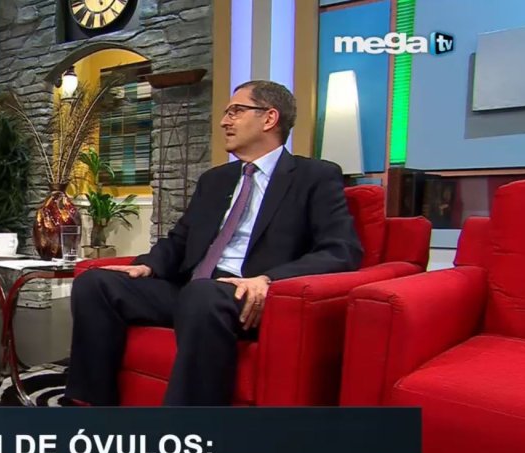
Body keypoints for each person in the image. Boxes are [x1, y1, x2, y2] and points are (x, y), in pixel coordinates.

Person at [66, 80, 363, 407]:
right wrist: (148, 265)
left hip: (245, 295)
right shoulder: (216, 179)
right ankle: (91, 405)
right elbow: (181, 239)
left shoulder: (314, 176)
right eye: (226, 113)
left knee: (202, 294)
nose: (224, 121)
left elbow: (341, 250)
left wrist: (269, 280)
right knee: (95, 283)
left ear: (269, 118)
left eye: (236, 111)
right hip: (194, 289)